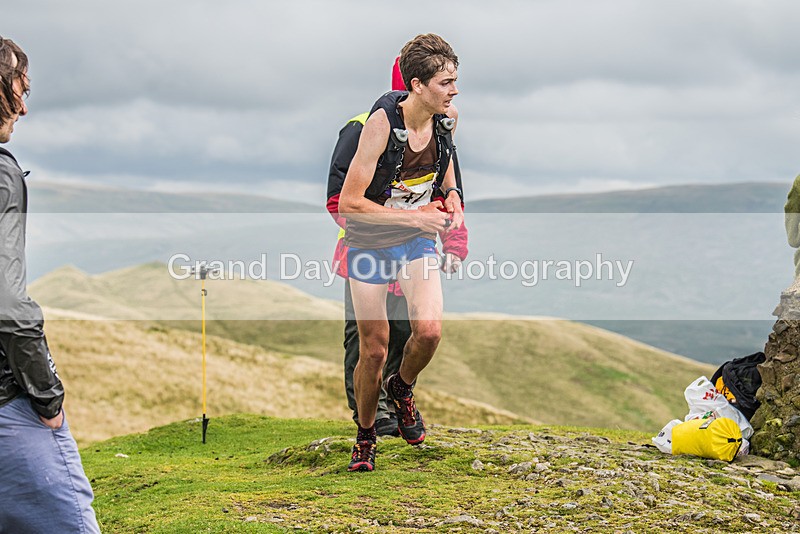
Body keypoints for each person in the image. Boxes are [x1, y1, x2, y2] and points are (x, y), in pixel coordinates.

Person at [338, 34, 463, 471]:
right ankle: (367, 436)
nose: (454, 90)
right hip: (369, 243)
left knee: (427, 332)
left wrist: (452, 200)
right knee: (373, 349)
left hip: (416, 243)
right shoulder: (378, 125)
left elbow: (447, 174)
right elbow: (349, 202)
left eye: (454, 80)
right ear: (417, 85)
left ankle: (402, 387)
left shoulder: (445, 121)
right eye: (446, 82)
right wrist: (417, 218)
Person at [0, 36, 101, 533]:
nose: (25, 102)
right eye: (22, 83)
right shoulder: (2, 174)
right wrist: (48, 398)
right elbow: (6, 302)